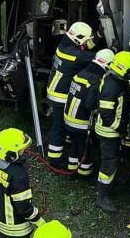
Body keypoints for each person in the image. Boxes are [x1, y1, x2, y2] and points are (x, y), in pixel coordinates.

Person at [46, 21, 96, 169]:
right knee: (59, 126)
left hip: (55, 91)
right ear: (78, 39)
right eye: (86, 40)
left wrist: (97, 37)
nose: (87, 43)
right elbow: (90, 56)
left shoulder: (64, 45)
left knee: (61, 125)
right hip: (60, 95)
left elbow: (84, 49)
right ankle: (54, 160)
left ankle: (63, 154)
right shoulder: (73, 55)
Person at [94, 51, 130, 214]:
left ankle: (110, 184)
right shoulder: (113, 86)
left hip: (111, 130)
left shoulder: (116, 79)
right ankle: (102, 195)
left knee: (112, 159)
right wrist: (120, 127)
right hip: (108, 131)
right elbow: (106, 114)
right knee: (108, 163)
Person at [64, 48, 114, 176]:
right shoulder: (95, 80)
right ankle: (84, 173)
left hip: (68, 118)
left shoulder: (81, 73)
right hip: (80, 122)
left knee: (74, 145)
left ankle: (71, 168)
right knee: (84, 147)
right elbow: (90, 104)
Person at [0, 128, 44, 237]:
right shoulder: (19, 175)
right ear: (10, 154)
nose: (24, 152)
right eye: (21, 150)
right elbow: (23, 207)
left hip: (0, 222)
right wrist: (38, 220)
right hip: (17, 229)